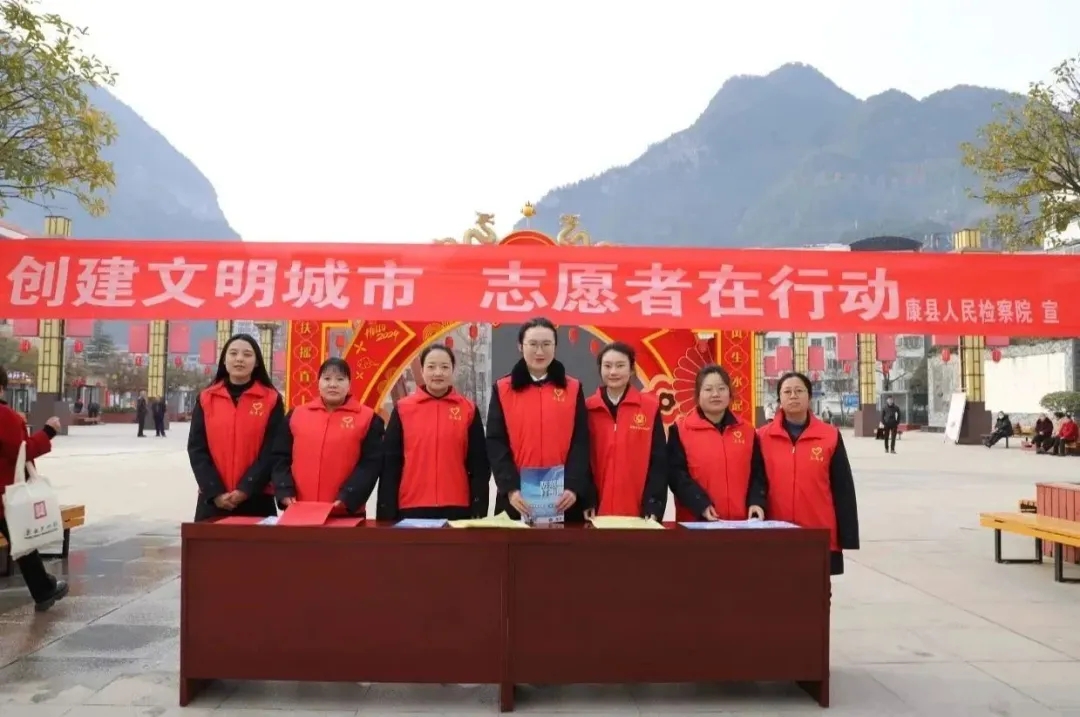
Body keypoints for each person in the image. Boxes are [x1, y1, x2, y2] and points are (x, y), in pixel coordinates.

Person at [486, 317, 594, 522]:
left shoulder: (573, 388)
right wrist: (511, 489)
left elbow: (581, 441)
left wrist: (573, 486)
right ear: (520, 346)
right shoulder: (503, 389)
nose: (539, 351)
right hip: (517, 499)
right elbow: (495, 442)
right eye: (533, 344)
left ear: (555, 347)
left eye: (546, 344)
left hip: (564, 499)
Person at [758, 372, 859, 576]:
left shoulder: (829, 436)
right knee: (777, 589)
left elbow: (843, 488)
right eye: (787, 392)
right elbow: (755, 483)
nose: (793, 396)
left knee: (816, 591)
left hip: (818, 530)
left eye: (799, 391)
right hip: (775, 531)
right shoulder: (762, 437)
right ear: (779, 399)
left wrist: (847, 535)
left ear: (809, 397)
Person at [378, 344, 490, 521]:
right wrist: (386, 512)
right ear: (422, 371)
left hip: (457, 506)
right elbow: (390, 464)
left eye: (444, 367)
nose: (438, 373)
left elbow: (479, 464)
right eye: (431, 367)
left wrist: (479, 506)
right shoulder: (403, 409)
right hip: (411, 506)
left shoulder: (468, 409)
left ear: (452, 370)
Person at [187, 334, 285, 521]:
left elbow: (272, 450)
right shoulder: (207, 398)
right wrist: (215, 492)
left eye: (247, 354)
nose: (239, 359)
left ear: (256, 362)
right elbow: (197, 448)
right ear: (224, 360)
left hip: (257, 497)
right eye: (233, 353)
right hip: (213, 500)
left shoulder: (271, 400)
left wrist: (246, 488)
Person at [272, 357, 384, 515]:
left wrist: (347, 498)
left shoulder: (368, 419)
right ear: (318, 382)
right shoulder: (296, 415)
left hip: (345, 512)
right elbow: (280, 457)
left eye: (340, 379)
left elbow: (370, 465)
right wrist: (284, 490)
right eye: (327, 379)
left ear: (349, 384)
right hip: (299, 510)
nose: (333, 384)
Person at [0, 365, 69, 611]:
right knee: (23, 543)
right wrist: (48, 432)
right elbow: (22, 451)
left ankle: (44, 588)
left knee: (22, 544)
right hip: (4, 496)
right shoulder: (5, 416)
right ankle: (43, 589)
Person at [667, 364, 767, 522]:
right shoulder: (680, 430)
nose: (715, 394)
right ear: (698, 394)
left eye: (721, 388)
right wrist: (700, 504)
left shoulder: (747, 430)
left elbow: (758, 473)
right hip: (697, 521)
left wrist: (757, 501)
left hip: (742, 523)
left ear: (730, 393)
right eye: (708, 389)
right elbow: (676, 475)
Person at [583, 342, 668, 519]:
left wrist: (653, 504)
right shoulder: (588, 408)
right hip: (595, 512)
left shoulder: (649, 408)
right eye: (607, 366)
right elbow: (580, 460)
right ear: (600, 369)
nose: (613, 372)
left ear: (631, 370)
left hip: (638, 512)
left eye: (620, 365)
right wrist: (586, 500)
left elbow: (659, 462)